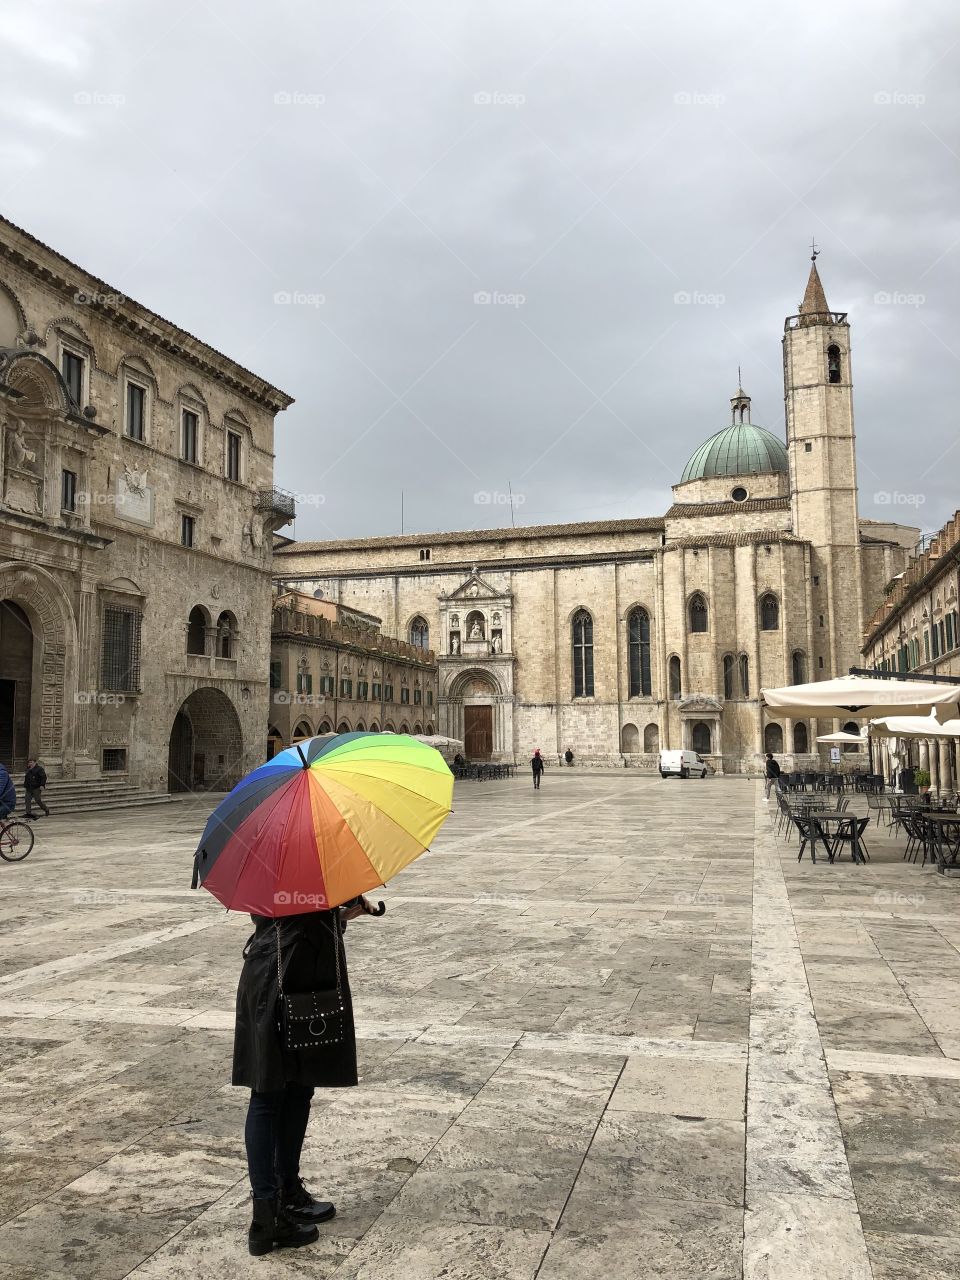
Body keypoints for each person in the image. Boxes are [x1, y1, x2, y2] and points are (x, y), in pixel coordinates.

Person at [233, 895, 373, 1256]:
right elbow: (299, 927)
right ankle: (266, 1216)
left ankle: (287, 1190)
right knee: (267, 1094)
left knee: (298, 1088)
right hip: (281, 984)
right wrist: (337, 914)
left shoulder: (283, 871)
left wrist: (340, 913)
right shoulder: (297, 873)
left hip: (291, 980)